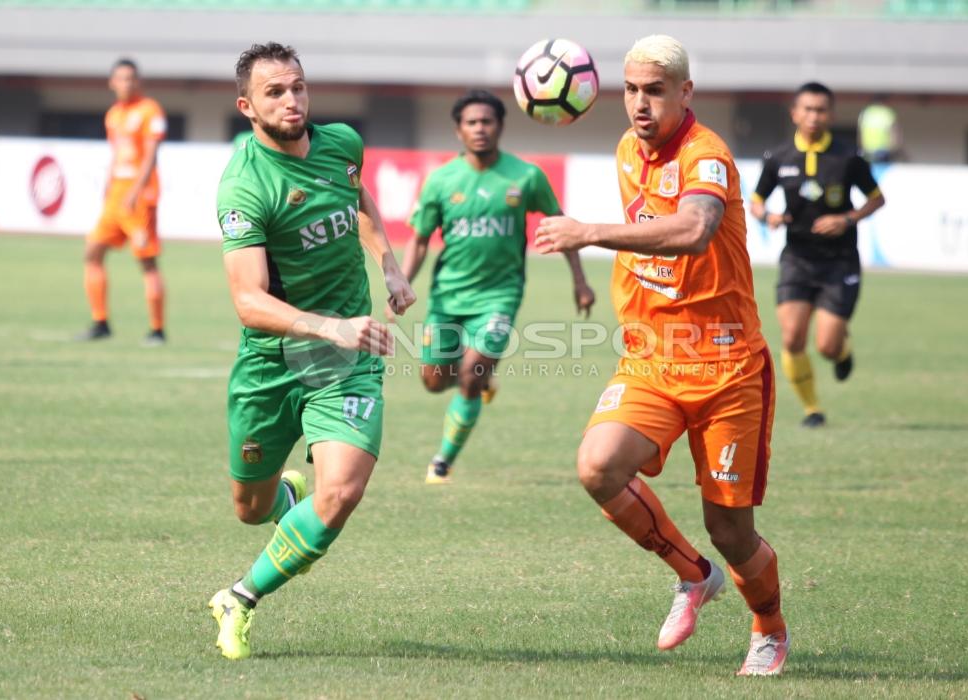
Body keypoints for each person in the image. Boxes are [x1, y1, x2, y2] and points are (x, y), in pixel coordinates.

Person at [535, 35, 789, 677]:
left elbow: (694, 228)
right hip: (652, 357)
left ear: (685, 93)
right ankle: (693, 576)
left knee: (731, 529)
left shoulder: (708, 157)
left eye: (654, 90)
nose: (640, 104)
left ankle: (769, 627)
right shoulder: (628, 149)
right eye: (630, 90)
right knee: (597, 466)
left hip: (727, 369)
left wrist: (589, 232)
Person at [207, 42, 416, 661]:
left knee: (343, 492)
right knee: (250, 508)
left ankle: (239, 598)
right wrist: (329, 326)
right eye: (275, 92)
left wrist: (391, 268)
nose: (292, 100)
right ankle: (285, 501)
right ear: (247, 106)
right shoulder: (244, 187)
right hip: (271, 361)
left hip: (346, 361)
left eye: (298, 87)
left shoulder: (342, 144)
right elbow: (248, 300)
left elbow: (359, 201)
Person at [400, 89, 595, 485]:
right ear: (458, 130)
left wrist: (580, 280)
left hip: (500, 296)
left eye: (487, 121)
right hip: (447, 297)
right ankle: (482, 379)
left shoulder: (526, 176)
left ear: (501, 126)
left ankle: (442, 462)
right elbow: (420, 240)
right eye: (471, 122)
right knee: (434, 380)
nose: (480, 129)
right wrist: (402, 284)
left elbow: (561, 226)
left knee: (470, 374)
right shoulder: (441, 180)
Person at [751, 82, 886, 428]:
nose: (814, 116)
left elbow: (876, 198)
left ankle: (841, 349)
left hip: (839, 261)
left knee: (825, 346)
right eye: (807, 109)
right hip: (797, 257)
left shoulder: (848, 158)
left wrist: (847, 218)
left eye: (821, 110)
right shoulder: (778, 158)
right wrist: (770, 217)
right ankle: (812, 409)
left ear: (831, 115)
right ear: (795, 113)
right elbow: (755, 201)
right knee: (792, 338)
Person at [78, 58, 168, 344]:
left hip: (139, 197)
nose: (126, 83)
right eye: (121, 78)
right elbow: (117, 154)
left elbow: (151, 155)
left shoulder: (149, 110)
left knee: (146, 261)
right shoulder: (113, 114)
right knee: (92, 251)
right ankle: (100, 322)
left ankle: (157, 330)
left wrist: (134, 192)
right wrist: (108, 189)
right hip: (116, 195)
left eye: (131, 78)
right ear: (112, 82)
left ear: (138, 81)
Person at [858, 95, 902, 164]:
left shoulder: (866, 112)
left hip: (867, 150)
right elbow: (894, 133)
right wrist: (895, 149)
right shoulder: (887, 112)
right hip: (883, 151)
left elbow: (860, 134)